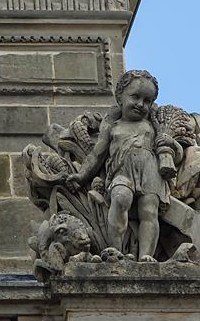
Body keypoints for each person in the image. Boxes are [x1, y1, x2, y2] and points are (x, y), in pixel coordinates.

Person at [66, 70, 177, 262]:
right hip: (122, 172)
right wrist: (82, 175)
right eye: (135, 97)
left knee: (149, 211)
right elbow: (96, 155)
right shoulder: (112, 126)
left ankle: (146, 256)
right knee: (119, 198)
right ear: (120, 97)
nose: (141, 104)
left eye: (147, 101)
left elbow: (170, 145)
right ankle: (115, 250)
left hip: (150, 172)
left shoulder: (153, 125)